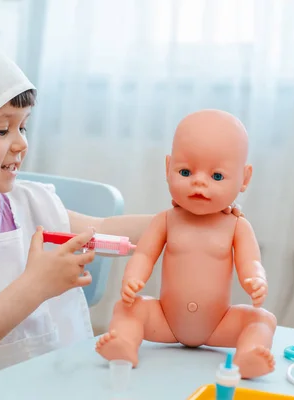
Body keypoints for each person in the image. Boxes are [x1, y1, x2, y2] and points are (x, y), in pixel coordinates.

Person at [0, 20, 244, 400]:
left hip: (44, 384)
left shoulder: (29, 202)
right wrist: (35, 285)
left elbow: (104, 227)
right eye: (2, 129)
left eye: (23, 127)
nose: (21, 143)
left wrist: (182, 218)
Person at [95, 110, 276, 379]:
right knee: (127, 308)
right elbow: (144, 254)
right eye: (185, 171)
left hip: (219, 324)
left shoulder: (236, 226)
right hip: (166, 320)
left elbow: (251, 261)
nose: (199, 181)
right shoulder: (166, 221)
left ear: (244, 179)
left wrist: (255, 279)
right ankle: (125, 343)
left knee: (262, 319)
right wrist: (133, 277)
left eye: (217, 176)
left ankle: (249, 354)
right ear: (168, 168)